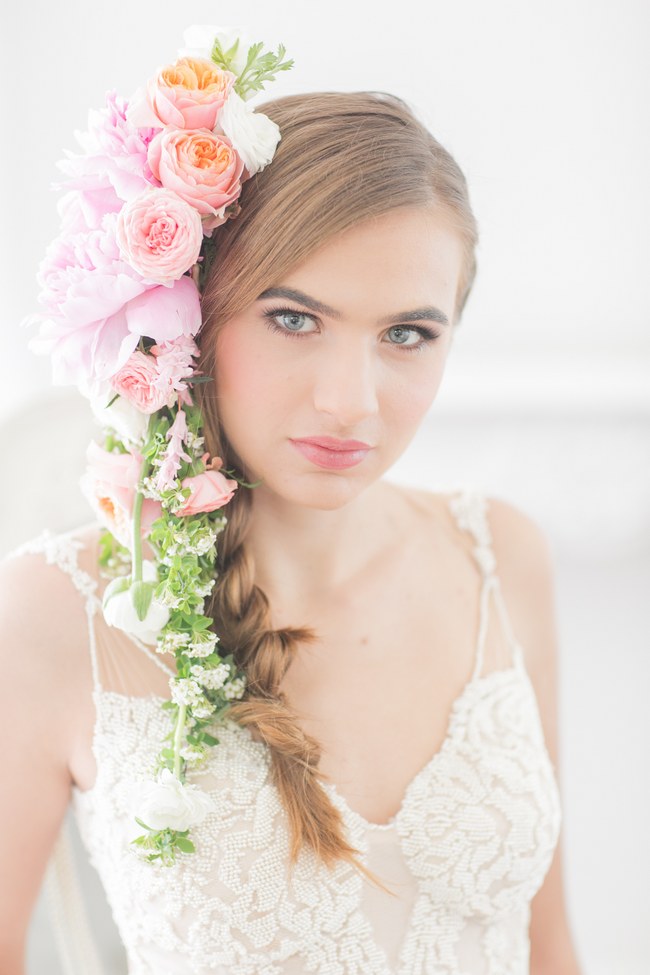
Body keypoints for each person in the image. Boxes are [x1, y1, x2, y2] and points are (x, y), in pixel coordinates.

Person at [0, 26, 582, 975]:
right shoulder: (53, 611)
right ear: (193, 307)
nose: (351, 400)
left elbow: (551, 950)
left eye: (406, 333)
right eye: (294, 318)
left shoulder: (500, 555)